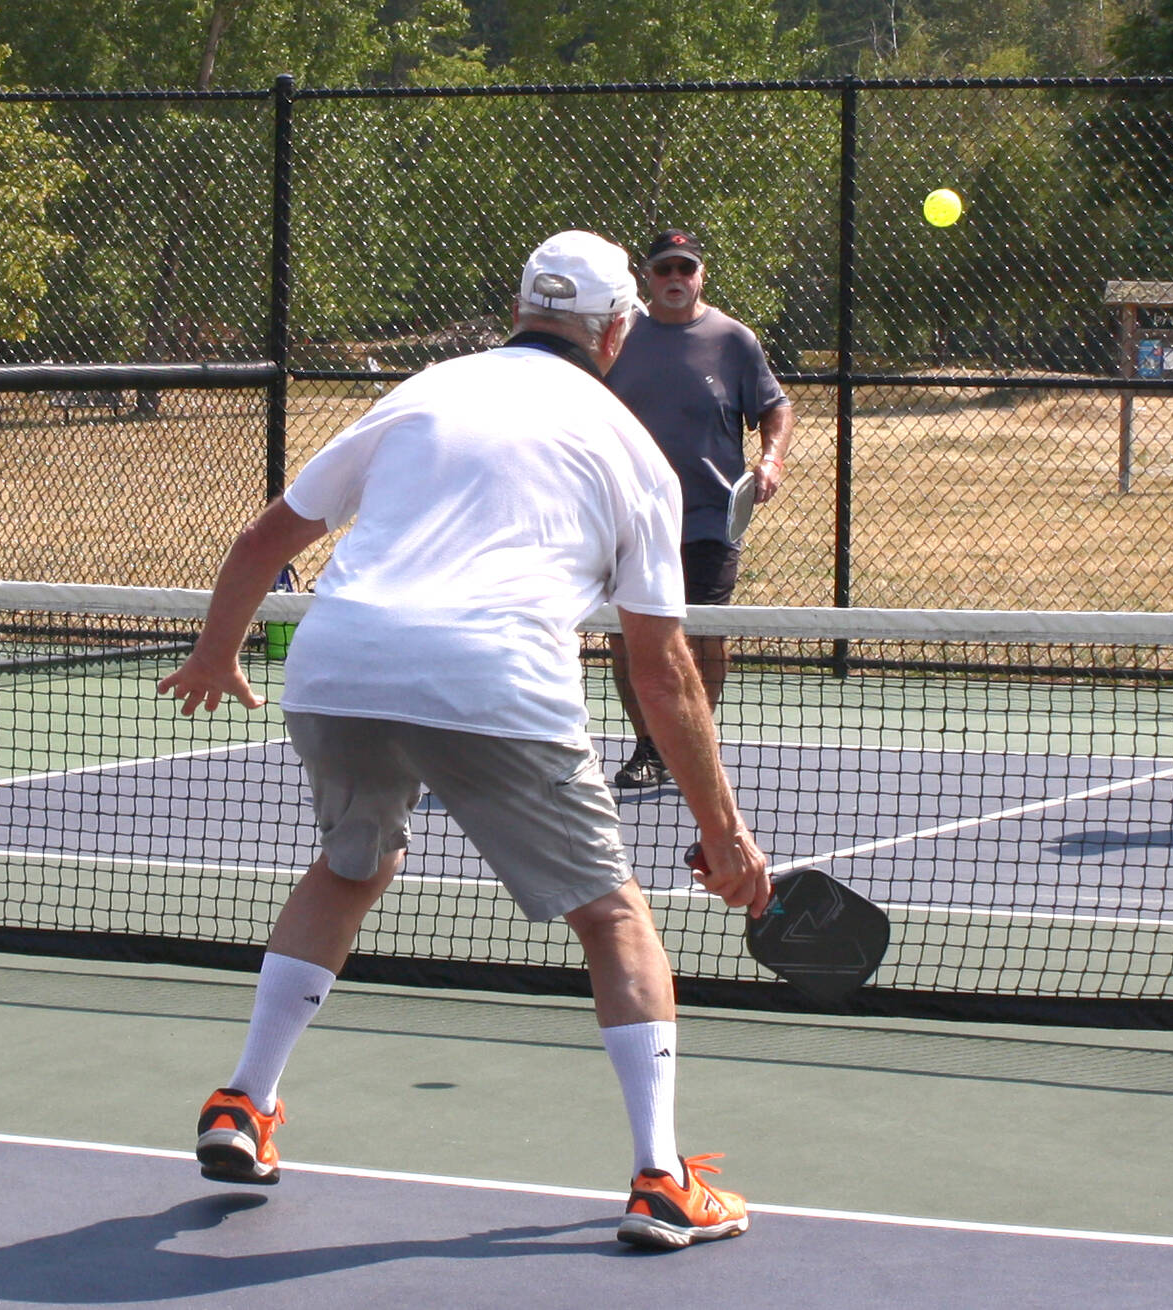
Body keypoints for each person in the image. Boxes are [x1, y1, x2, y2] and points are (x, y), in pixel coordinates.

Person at [157, 230, 771, 1251]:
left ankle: (242, 1099)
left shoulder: (423, 391)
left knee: (352, 866)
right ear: (616, 329)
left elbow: (262, 541)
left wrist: (219, 654)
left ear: (522, 308)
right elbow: (662, 675)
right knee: (613, 915)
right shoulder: (634, 454)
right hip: (492, 679)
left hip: (339, 665)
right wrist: (724, 830)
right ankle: (662, 1179)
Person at [602, 229, 793, 789]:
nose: (675, 280)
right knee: (626, 634)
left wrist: (771, 460)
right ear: (648, 278)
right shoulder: (619, 340)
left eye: (685, 269)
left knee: (705, 632)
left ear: (700, 274)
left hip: (710, 514)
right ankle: (649, 747)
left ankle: (691, 741)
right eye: (664, 270)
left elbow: (775, 406)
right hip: (631, 518)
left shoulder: (734, 340)